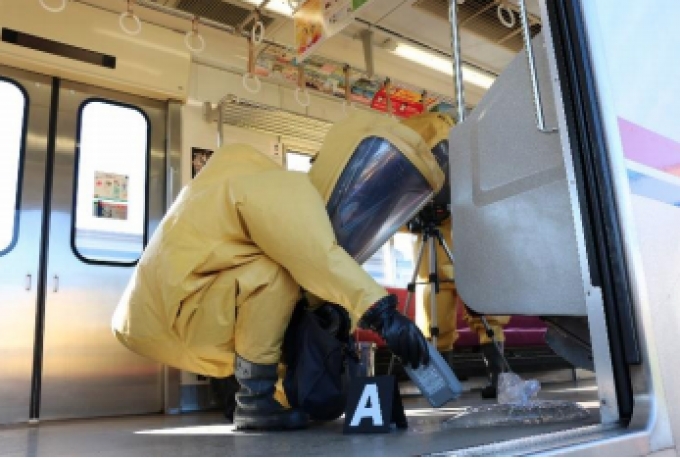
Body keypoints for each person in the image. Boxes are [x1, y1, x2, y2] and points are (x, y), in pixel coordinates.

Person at [112, 111, 445, 430]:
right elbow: (316, 255)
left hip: (176, 313)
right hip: (176, 315)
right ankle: (254, 402)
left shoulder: (261, 183)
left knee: (290, 295)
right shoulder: (285, 190)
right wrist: (382, 313)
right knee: (276, 275)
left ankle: (247, 396)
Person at [400, 112, 511, 400]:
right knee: (480, 307)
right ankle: (499, 378)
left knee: (436, 311)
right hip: (456, 238)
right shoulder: (454, 144)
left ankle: (442, 385)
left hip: (442, 242)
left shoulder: (412, 145)